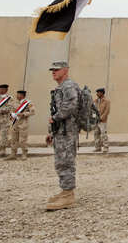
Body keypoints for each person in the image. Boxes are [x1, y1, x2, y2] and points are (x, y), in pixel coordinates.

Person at [46, 61, 81, 210]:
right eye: (52, 70)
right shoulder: (61, 87)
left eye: (57, 69)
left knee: (65, 161)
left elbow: (71, 105)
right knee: (61, 161)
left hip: (68, 130)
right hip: (61, 130)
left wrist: (55, 118)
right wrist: (52, 131)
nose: (53, 72)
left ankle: (68, 196)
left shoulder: (68, 86)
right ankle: (64, 191)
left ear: (65, 71)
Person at [5, 90, 35, 161]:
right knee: (14, 139)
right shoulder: (15, 103)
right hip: (15, 122)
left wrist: (23, 114)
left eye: (18, 94)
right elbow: (11, 111)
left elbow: (32, 112)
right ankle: (13, 154)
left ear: (22, 95)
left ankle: (24, 153)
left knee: (23, 139)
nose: (16, 95)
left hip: (23, 123)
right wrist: (11, 115)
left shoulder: (28, 103)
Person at [92, 88, 110, 153]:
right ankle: (98, 146)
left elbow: (107, 111)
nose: (97, 94)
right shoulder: (95, 101)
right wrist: (94, 117)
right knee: (96, 133)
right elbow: (93, 110)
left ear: (102, 93)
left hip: (102, 120)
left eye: (98, 92)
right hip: (96, 120)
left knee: (103, 133)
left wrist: (101, 118)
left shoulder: (106, 101)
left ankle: (106, 147)